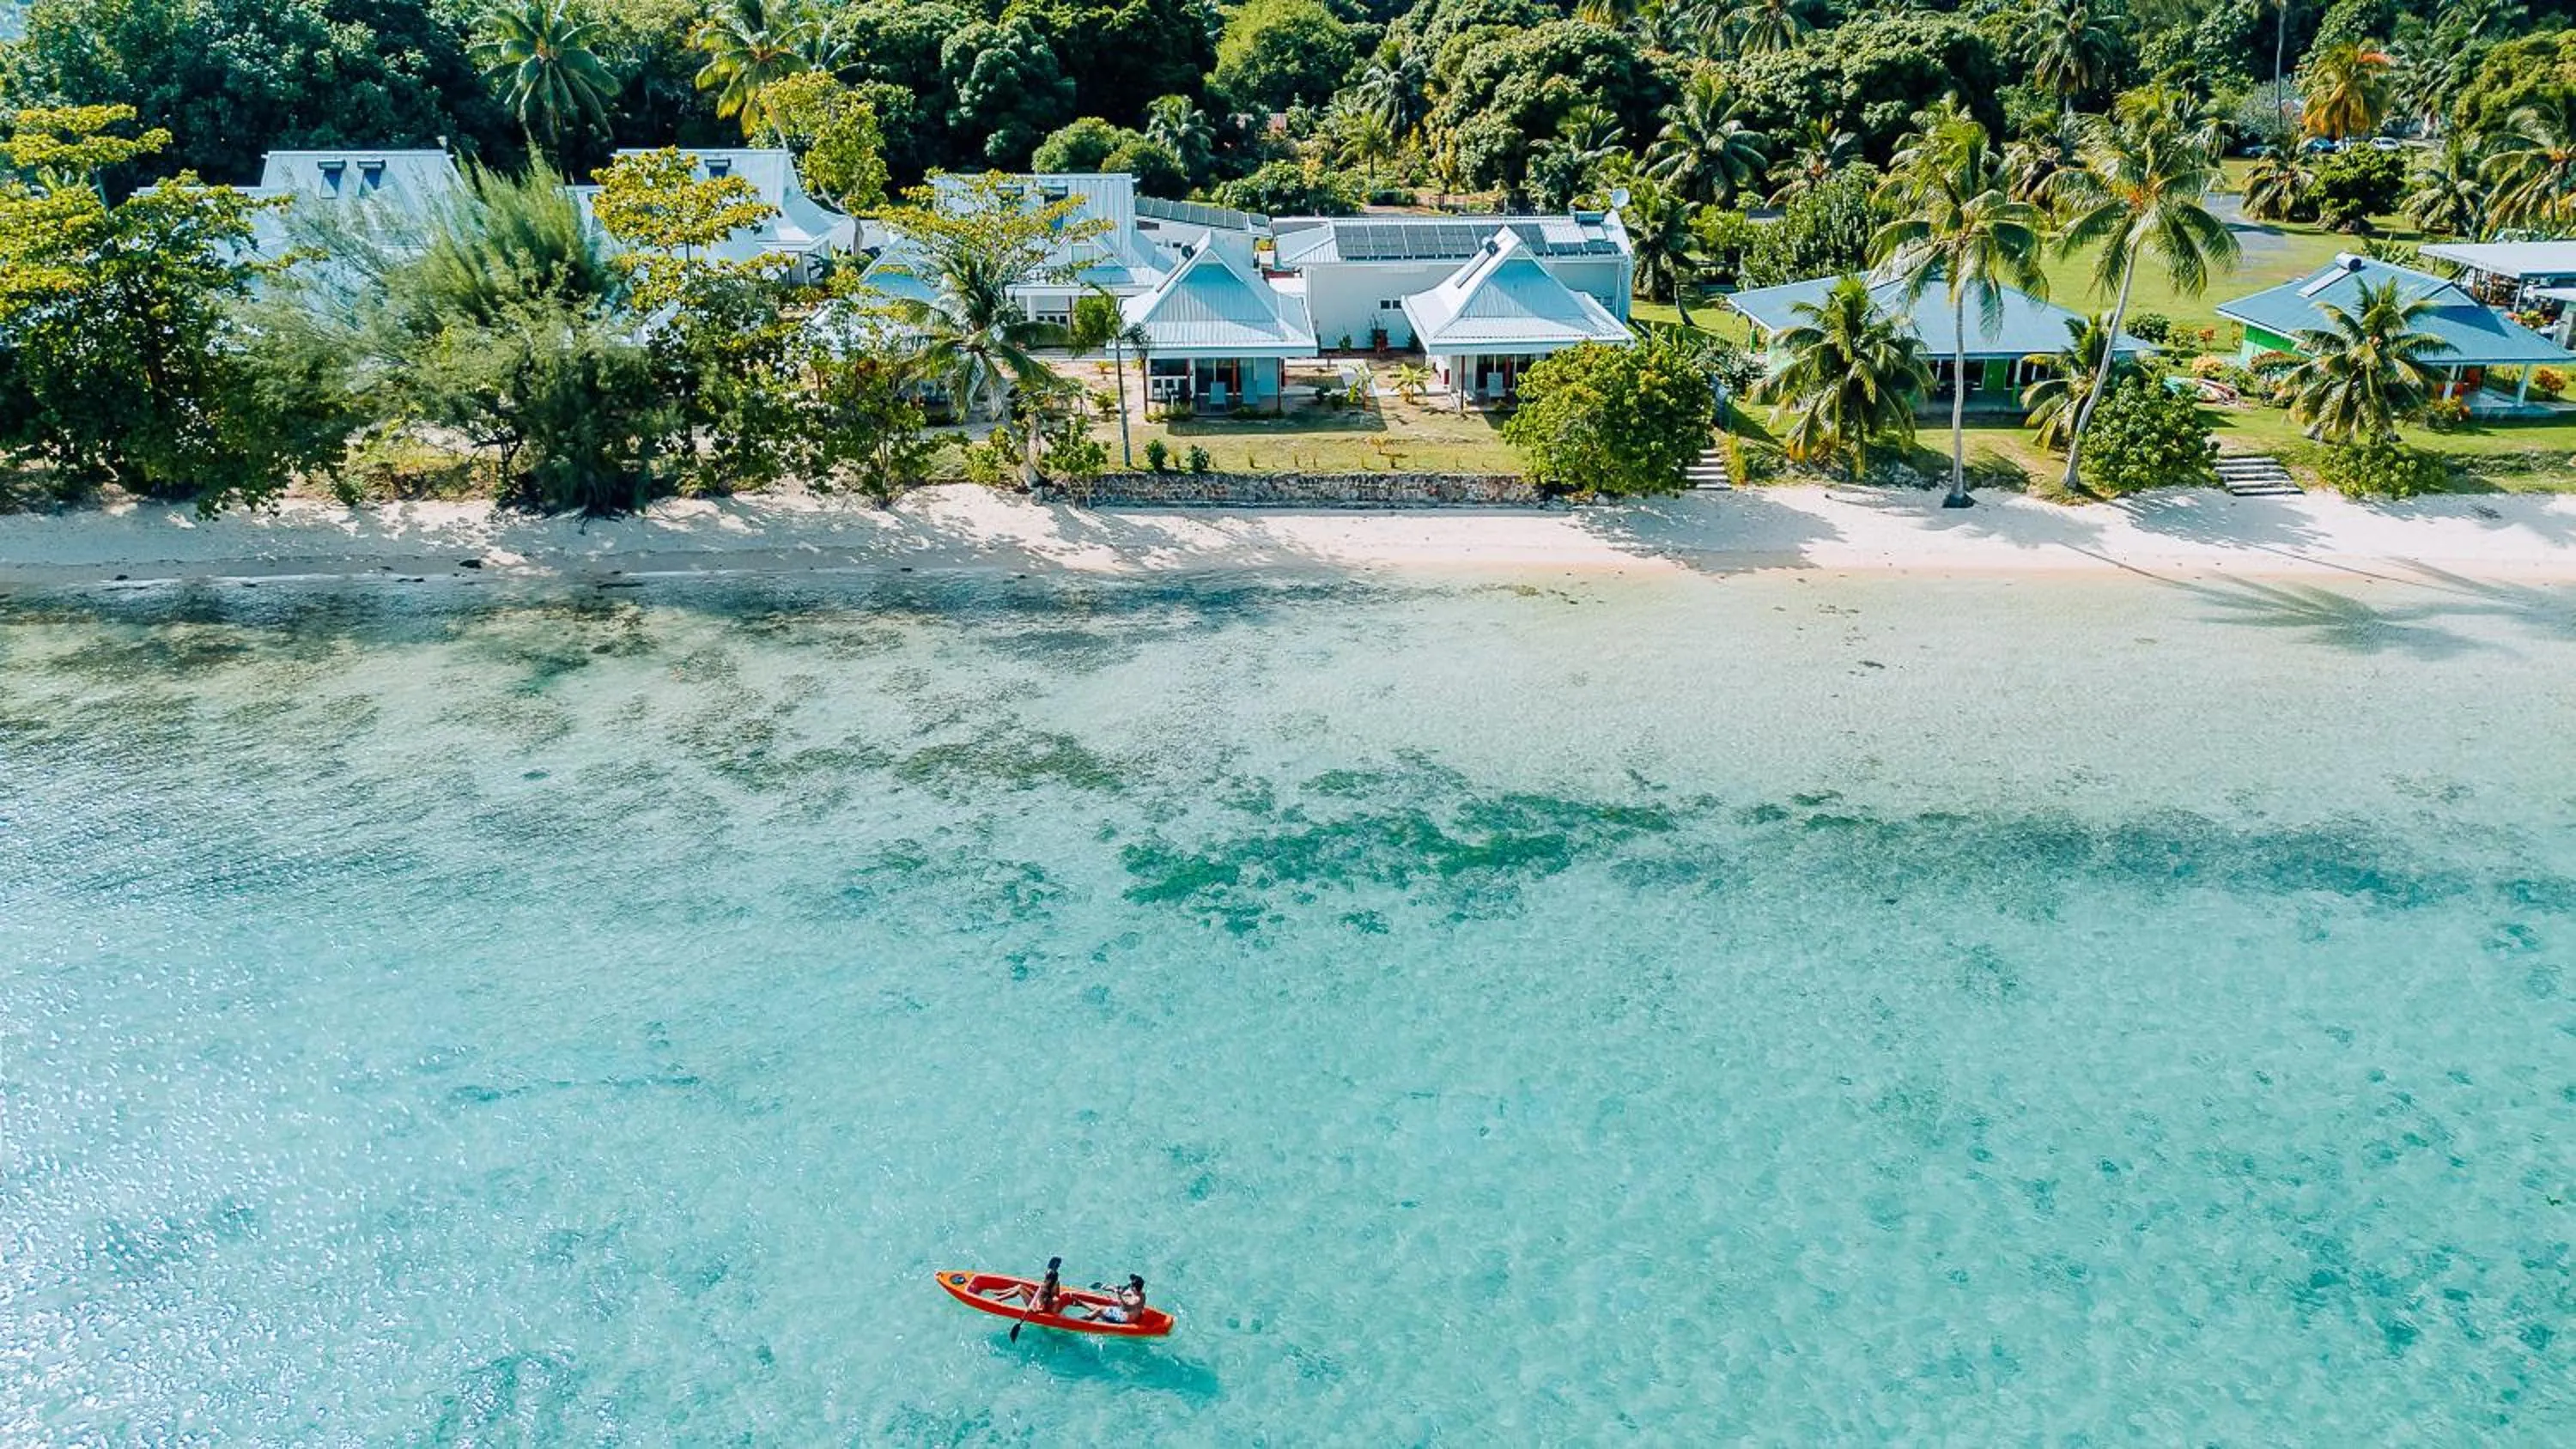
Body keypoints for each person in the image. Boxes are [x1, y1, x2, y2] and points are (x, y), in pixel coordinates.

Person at [996, 1257, 1065, 1315]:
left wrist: (1033, 1310)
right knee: (1020, 1286)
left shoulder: (1046, 1290)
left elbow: (1041, 1308)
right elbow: (1054, 1297)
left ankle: (998, 1299)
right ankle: (1000, 1294)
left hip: (1034, 1306)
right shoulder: (1053, 1283)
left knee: (1020, 1289)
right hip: (1038, 1300)